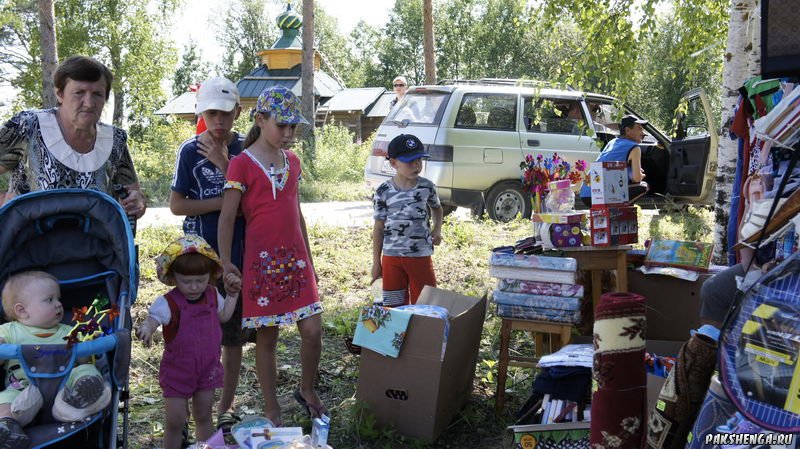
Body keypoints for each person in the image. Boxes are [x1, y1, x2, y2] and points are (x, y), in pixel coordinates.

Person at [218, 86, 325, 426]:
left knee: (313, 330)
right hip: (261, 266)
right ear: (261, 120)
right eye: (283, 125)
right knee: (268, 339)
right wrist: (225, 262)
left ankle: (307, 389)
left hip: (296, 264)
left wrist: (309, 259)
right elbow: (226, 217)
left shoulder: (293, 162)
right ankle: (271, 408)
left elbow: (297, 213)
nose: (289, 133)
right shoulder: (241, 164)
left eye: (294, 126)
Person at [168, 76, 252, 431]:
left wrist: (224, 167)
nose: (219, 121)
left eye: (226, 113)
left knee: (232, 337)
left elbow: (254, 206)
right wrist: (223, 202)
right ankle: (190, 406)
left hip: (239, 255)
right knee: (198, 334)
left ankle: (225, 407)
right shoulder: (189, 151)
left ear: (238, 112)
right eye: (212, 113)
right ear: (201, 112)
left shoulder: (248, 149)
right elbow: (176, 205)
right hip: (200, 263)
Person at [0, 55, 146, 217]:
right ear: (60, 93)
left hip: (95, 241)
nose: (89, 103)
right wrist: (8, 207)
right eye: (79, 93)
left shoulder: (115, 140)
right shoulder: (27, 127)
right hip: (29, 239)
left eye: (97, 94)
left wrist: (137, 202)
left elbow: (135, 197)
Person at [135, 235, 242, 449]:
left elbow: (223, 316)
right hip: (178, 371)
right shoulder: (169, 303)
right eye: (186, 281)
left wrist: (232, 295)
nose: (194, 286)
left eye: (200, 280)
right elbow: (153, 320)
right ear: (173, 276)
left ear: (210, 276)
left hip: (207, 368)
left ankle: (207, 446)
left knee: (203, 414)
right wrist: (146, 328)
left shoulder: (212, 295)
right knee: (175, 420)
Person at [0, 271, 111, 448]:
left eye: (58, 299)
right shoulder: (9, 331)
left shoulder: (69, 331)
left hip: (66, 388)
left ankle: (87, 390)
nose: (59, 304)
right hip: (24, 389)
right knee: (4, 400)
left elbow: (83, 360)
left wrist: (88, 346)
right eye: (49, 300)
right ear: (22, 310)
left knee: (85, 370)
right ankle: (7, 427)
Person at [371, 134, 443, 307]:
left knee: (425, 305)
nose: (416, 165)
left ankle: (423, 334)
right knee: (394, 308)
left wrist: (437, 229)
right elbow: (378, 228)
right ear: (394, 163)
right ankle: (399, 335)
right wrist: (376, 263)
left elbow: (437, 208)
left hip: (420, 256)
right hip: (391, 258)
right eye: (410, 161)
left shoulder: (427, 187)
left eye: (419, 160)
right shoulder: (383, 191)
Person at [580, 114, 650, 206]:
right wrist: (641, 175)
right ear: (628, 130)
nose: (643, 133)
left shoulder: (612, 142)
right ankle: (618, 211)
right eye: (639, 128)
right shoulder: (634, 148)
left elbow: (611, 166)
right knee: (644, 186)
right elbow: (636, 178)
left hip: (585, 194)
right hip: (601, 196)